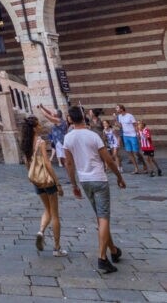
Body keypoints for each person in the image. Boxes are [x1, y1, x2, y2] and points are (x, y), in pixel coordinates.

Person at [64, 105, 126, 274]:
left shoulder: (68, 138)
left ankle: (113, 251)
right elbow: (109, 160)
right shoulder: (94, 136)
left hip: (84, 181)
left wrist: (74, 184)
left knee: (100, 217)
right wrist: (119, 178)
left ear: (70, 119)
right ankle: (102, 258)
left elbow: (69, 164)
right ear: (84, 118)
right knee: (104, 217)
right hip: (99, 179)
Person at [20, 115, 67, 257]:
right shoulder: (40, 142)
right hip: (47, 180)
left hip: (36, 180)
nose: (40, 126)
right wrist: (57, 183)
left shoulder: (25, 143)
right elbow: (47, 164)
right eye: (38, 124)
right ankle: (57, 248)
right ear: (35, 128)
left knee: (47, 209)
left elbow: (27, 163)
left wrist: (31, 176)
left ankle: (41, 231)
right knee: (55, 214)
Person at [115, 104, 148, 174]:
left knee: (136, 152)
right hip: (125, 136)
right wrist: (116, 120)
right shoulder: (119, 116)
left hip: (132, 135)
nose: (116, 109)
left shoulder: (130, 116)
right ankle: (136, 168)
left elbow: (135, 125)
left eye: (117, 108)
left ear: (122, 109)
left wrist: (138, 134)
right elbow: (121, 126)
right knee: (129, 152)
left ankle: (144, 164)